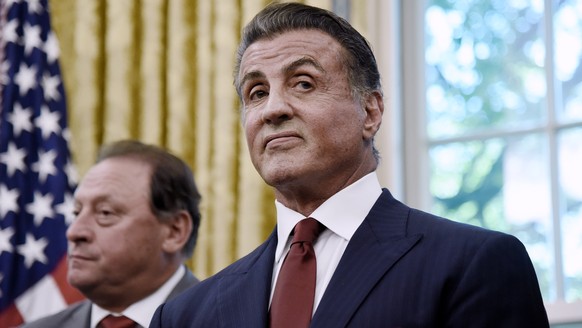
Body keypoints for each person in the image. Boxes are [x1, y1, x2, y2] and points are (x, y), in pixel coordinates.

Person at [150, 2, 549, 327]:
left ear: (370, 111)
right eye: (256, 92)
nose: (272, 109)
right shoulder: (185, 315)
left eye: (303, 83)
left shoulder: (473, 265)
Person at [22, 140, 202, 328]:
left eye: (105, 213)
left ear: (174, 231)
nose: (74, 232)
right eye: (76, 213)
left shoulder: (223, 319)